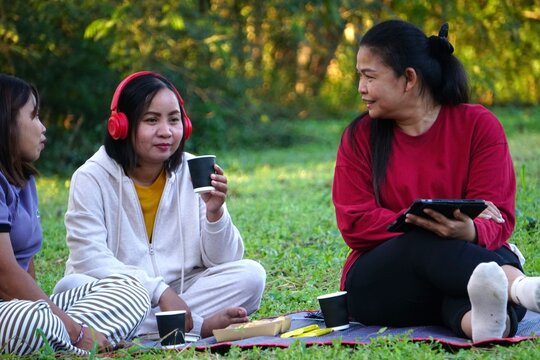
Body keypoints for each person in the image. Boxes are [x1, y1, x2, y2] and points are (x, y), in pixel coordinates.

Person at [332, 20, 540, 343]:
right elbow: (354, 221)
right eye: (360, 76)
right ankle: (521, 288)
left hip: (455, 274)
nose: (360, 87)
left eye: (369, 76)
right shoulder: (359, 137)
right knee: (430, 245)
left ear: (409, 79)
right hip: (381, 285)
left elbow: (496, 214)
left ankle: (484, 325)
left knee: (475, 284)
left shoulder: (479, 126)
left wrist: (468, 231)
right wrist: (426, 225)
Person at [55, 71, 266, 338]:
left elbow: (223, 260)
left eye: (174, 120)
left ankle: (136, 329)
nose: (166, 131)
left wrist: (216, 213)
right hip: (119, 294)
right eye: (151, 120)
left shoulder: (193, 170)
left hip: (182, 290)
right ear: (120, 125)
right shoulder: (90, 178)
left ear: (185, 125)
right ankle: (199, 326)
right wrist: (158, 291)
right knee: (71, 287)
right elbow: (89, 258)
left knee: (251, 275)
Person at [0, 74, 150, 356]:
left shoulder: (23, 180)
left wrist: (62, 317)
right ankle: (79, 341)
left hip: (22, 307)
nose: (43, 128)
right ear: (5, 121)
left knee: (133, 291)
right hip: (13, 312)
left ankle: (63, 342)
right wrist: (75, 329)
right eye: (33, 117)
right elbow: (5, 276)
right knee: (33, 320)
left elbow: (26, 270)